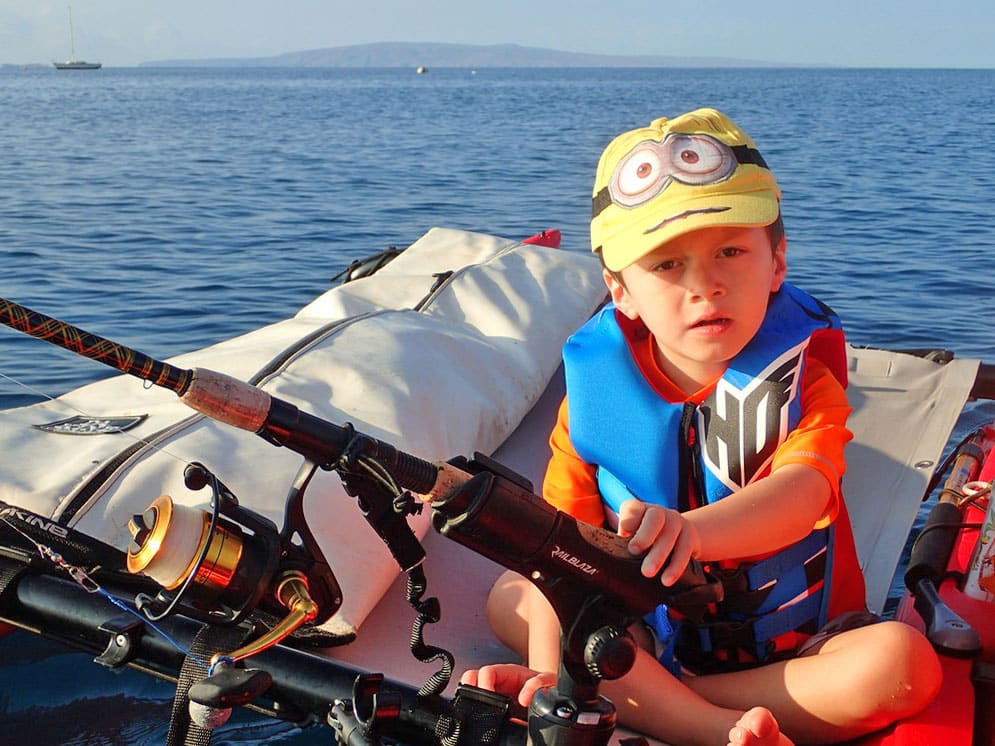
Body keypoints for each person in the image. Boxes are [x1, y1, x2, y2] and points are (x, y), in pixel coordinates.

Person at [461, 108, 941, 746]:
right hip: (632, 633)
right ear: (620, 291)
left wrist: (690, 533)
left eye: (731, 251)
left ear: (776, 264)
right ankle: (700, 724)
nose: (705, 285)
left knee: (902, 665)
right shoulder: (592, 401)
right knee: (512, 596)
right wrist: (557, 675)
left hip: (791, 656)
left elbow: (803, 496)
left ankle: (646, 700)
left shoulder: (808, 387)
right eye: (665, 265)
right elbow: (558, 552)